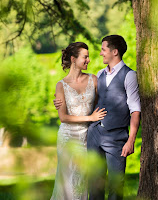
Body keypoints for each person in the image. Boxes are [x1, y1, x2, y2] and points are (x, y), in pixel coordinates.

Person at [54, 35, 141, 200]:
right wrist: (60, 101)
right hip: (93, 136)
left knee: (116, 184)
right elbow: (89, 101)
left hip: (116, 137)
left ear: (114, 52)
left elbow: (135, 109)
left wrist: (131, 140)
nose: (100, 54)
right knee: (94, 185)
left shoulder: (129, 75)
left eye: (103, 49)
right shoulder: (99, 74)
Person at [51, 42, 107, 200]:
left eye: (88, 56)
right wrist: (90, 118)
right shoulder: (61, 86)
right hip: (68, 137)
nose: (89, 60)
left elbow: (100, 103)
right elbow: (63, 117)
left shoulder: (94, 80)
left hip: (86, 137)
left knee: (81, 178)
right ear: (73, 59)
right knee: (67, 180)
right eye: (85, 57)